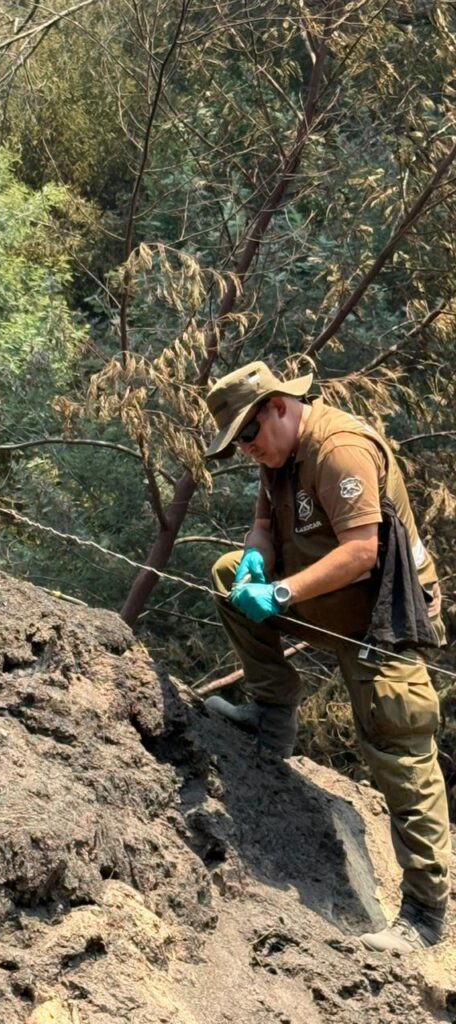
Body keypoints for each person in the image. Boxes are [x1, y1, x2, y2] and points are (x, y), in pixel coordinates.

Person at [203, 360, 451, 954]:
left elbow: (364, 553)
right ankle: (273, 717)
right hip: (328, 603)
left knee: (398, 747)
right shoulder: (277, 458)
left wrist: (282, 592)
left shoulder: (338, 449)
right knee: (228, 577)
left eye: (248, 434)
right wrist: (257, 562)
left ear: (279, 408)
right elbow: (263, 526)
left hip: (380, 620)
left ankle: (424, 913)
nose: (246, 448)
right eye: (236, 441)